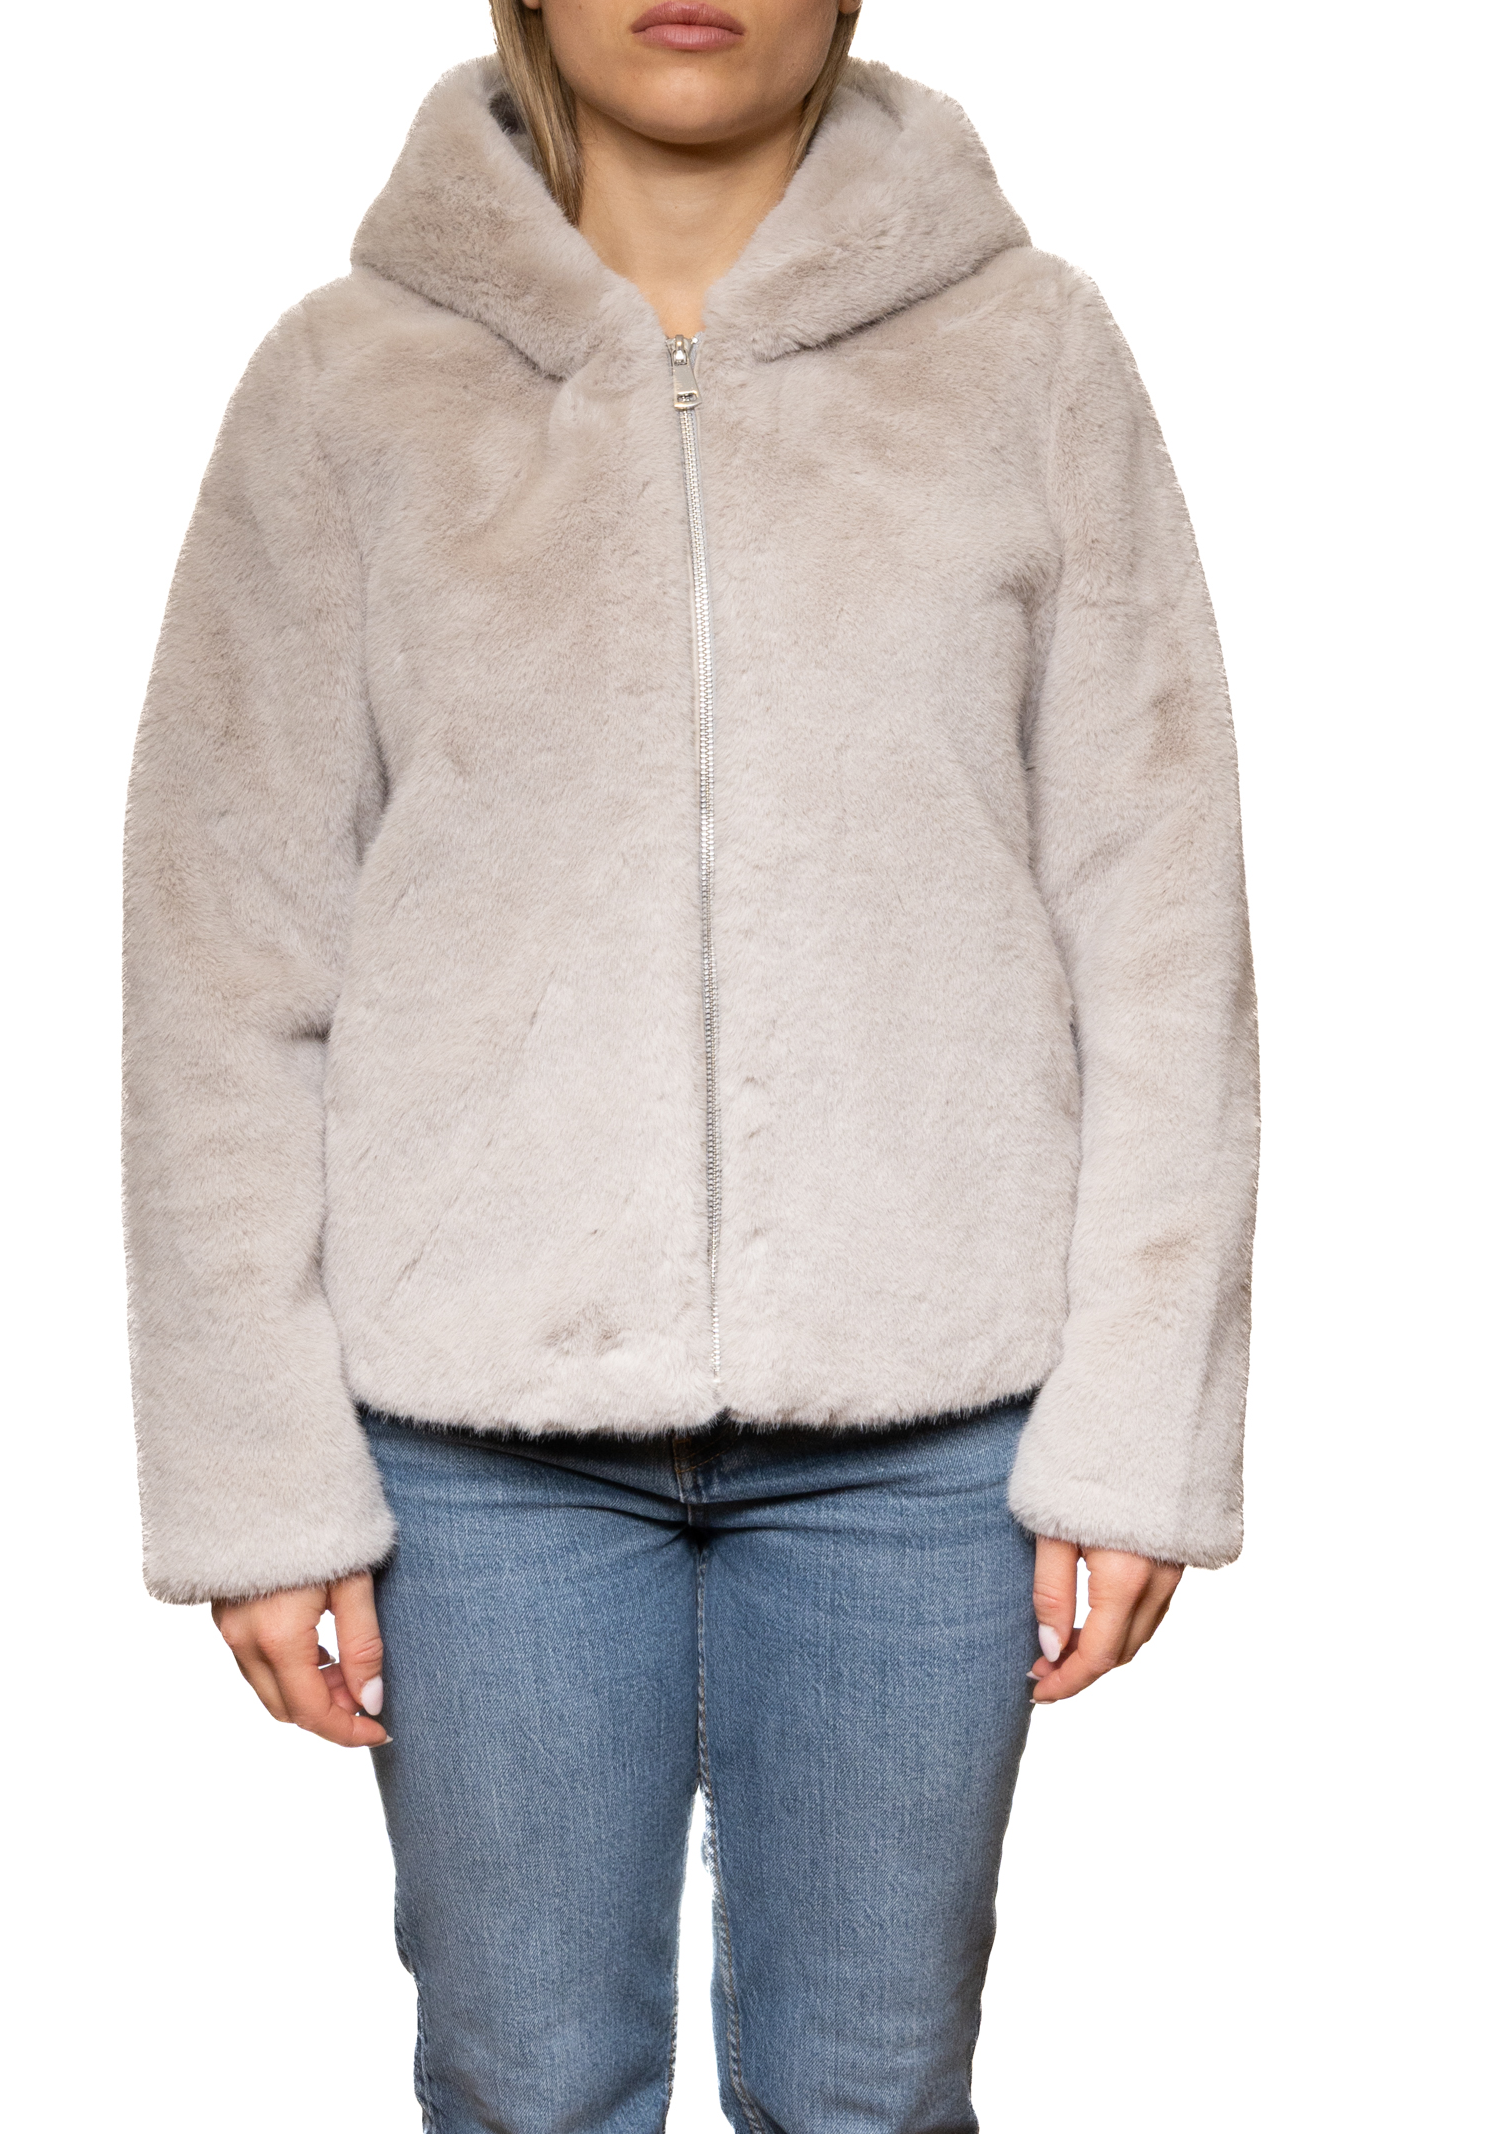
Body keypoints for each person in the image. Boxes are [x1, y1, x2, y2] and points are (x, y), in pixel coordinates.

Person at [122, 2, 1258, 2126]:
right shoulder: (344, 389)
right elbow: (223, 953)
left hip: (933, 1430)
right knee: (525, 2087)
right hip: (473, 1443)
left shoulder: (1029, 358)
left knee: (873, 2092)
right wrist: (257, 1476)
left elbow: (1158, 921)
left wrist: (1139, 1424)